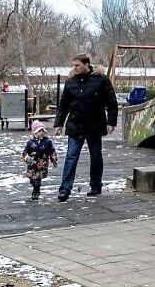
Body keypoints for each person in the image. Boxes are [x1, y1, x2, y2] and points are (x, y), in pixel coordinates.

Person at [54, 53, 118, 202]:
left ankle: (96, 184)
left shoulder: (100, 81)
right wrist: (58, 123)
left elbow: (111, 102)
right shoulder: (71, 82)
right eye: (73, 65)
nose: (74, 68)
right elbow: (63, 106)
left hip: (94, 125)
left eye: (77, 65)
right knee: (71, 157)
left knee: (96, 156)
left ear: (86, 64)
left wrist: (111, 122)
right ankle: (65, 189)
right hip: (76, 125)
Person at [23, 120, 58, 200]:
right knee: (32, 179)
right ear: (34, 133)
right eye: (39, 131)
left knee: (37, 179)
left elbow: (51, 150)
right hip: (32, 164)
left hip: (42, 164)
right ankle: (35, 189)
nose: (41, 132)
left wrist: (53, 157)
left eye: (43, 130)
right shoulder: (30, 143)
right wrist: (26, 157)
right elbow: (25, 151)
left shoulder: (47, 142)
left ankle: (36, 192)